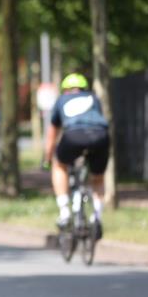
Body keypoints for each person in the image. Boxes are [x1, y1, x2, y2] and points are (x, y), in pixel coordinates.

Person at [44, 72, 110, 237]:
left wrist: (47, 157)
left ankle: (65, 211)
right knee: (98, 177)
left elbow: (52, 133)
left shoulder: (61, 100)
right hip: (100, 136)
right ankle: (97, 217)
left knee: (59, 165)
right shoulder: (94, 98)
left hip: (73, 135)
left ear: (65, 89)